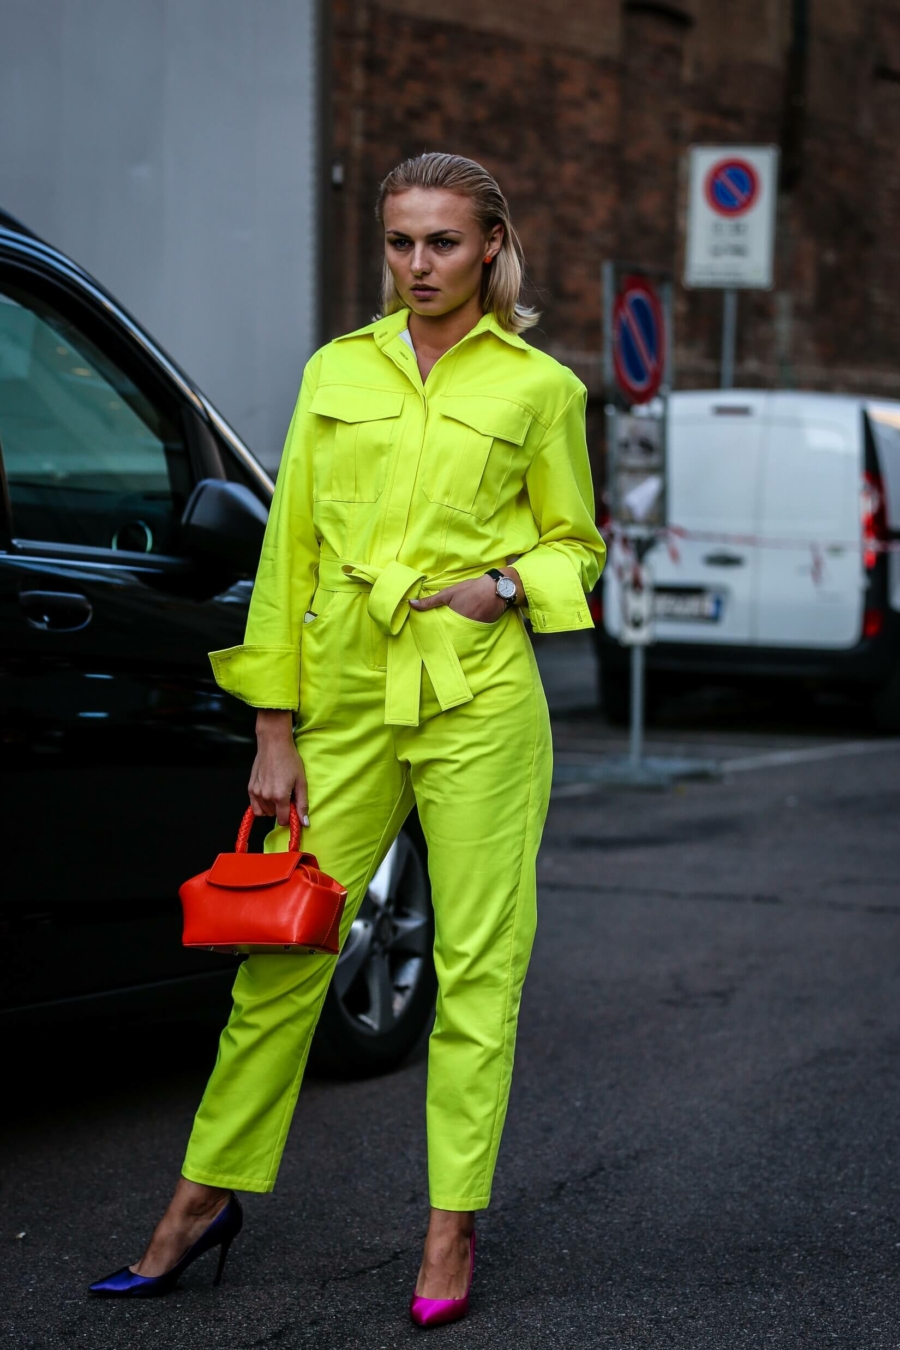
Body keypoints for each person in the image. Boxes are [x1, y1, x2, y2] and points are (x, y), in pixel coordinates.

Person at [90, 151, 606, 1326]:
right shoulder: (336, 373)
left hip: (478, 697)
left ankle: (450, 1228)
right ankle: (198, 1203)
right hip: (343, 699)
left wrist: (504, 587)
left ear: (489, 247)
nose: (417, 266)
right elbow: (291, 559)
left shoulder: (541, 391)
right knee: (280, 957)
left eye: (440, 243)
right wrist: (273, 730)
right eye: (399, 243)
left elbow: (578, 546)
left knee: (481, 969)